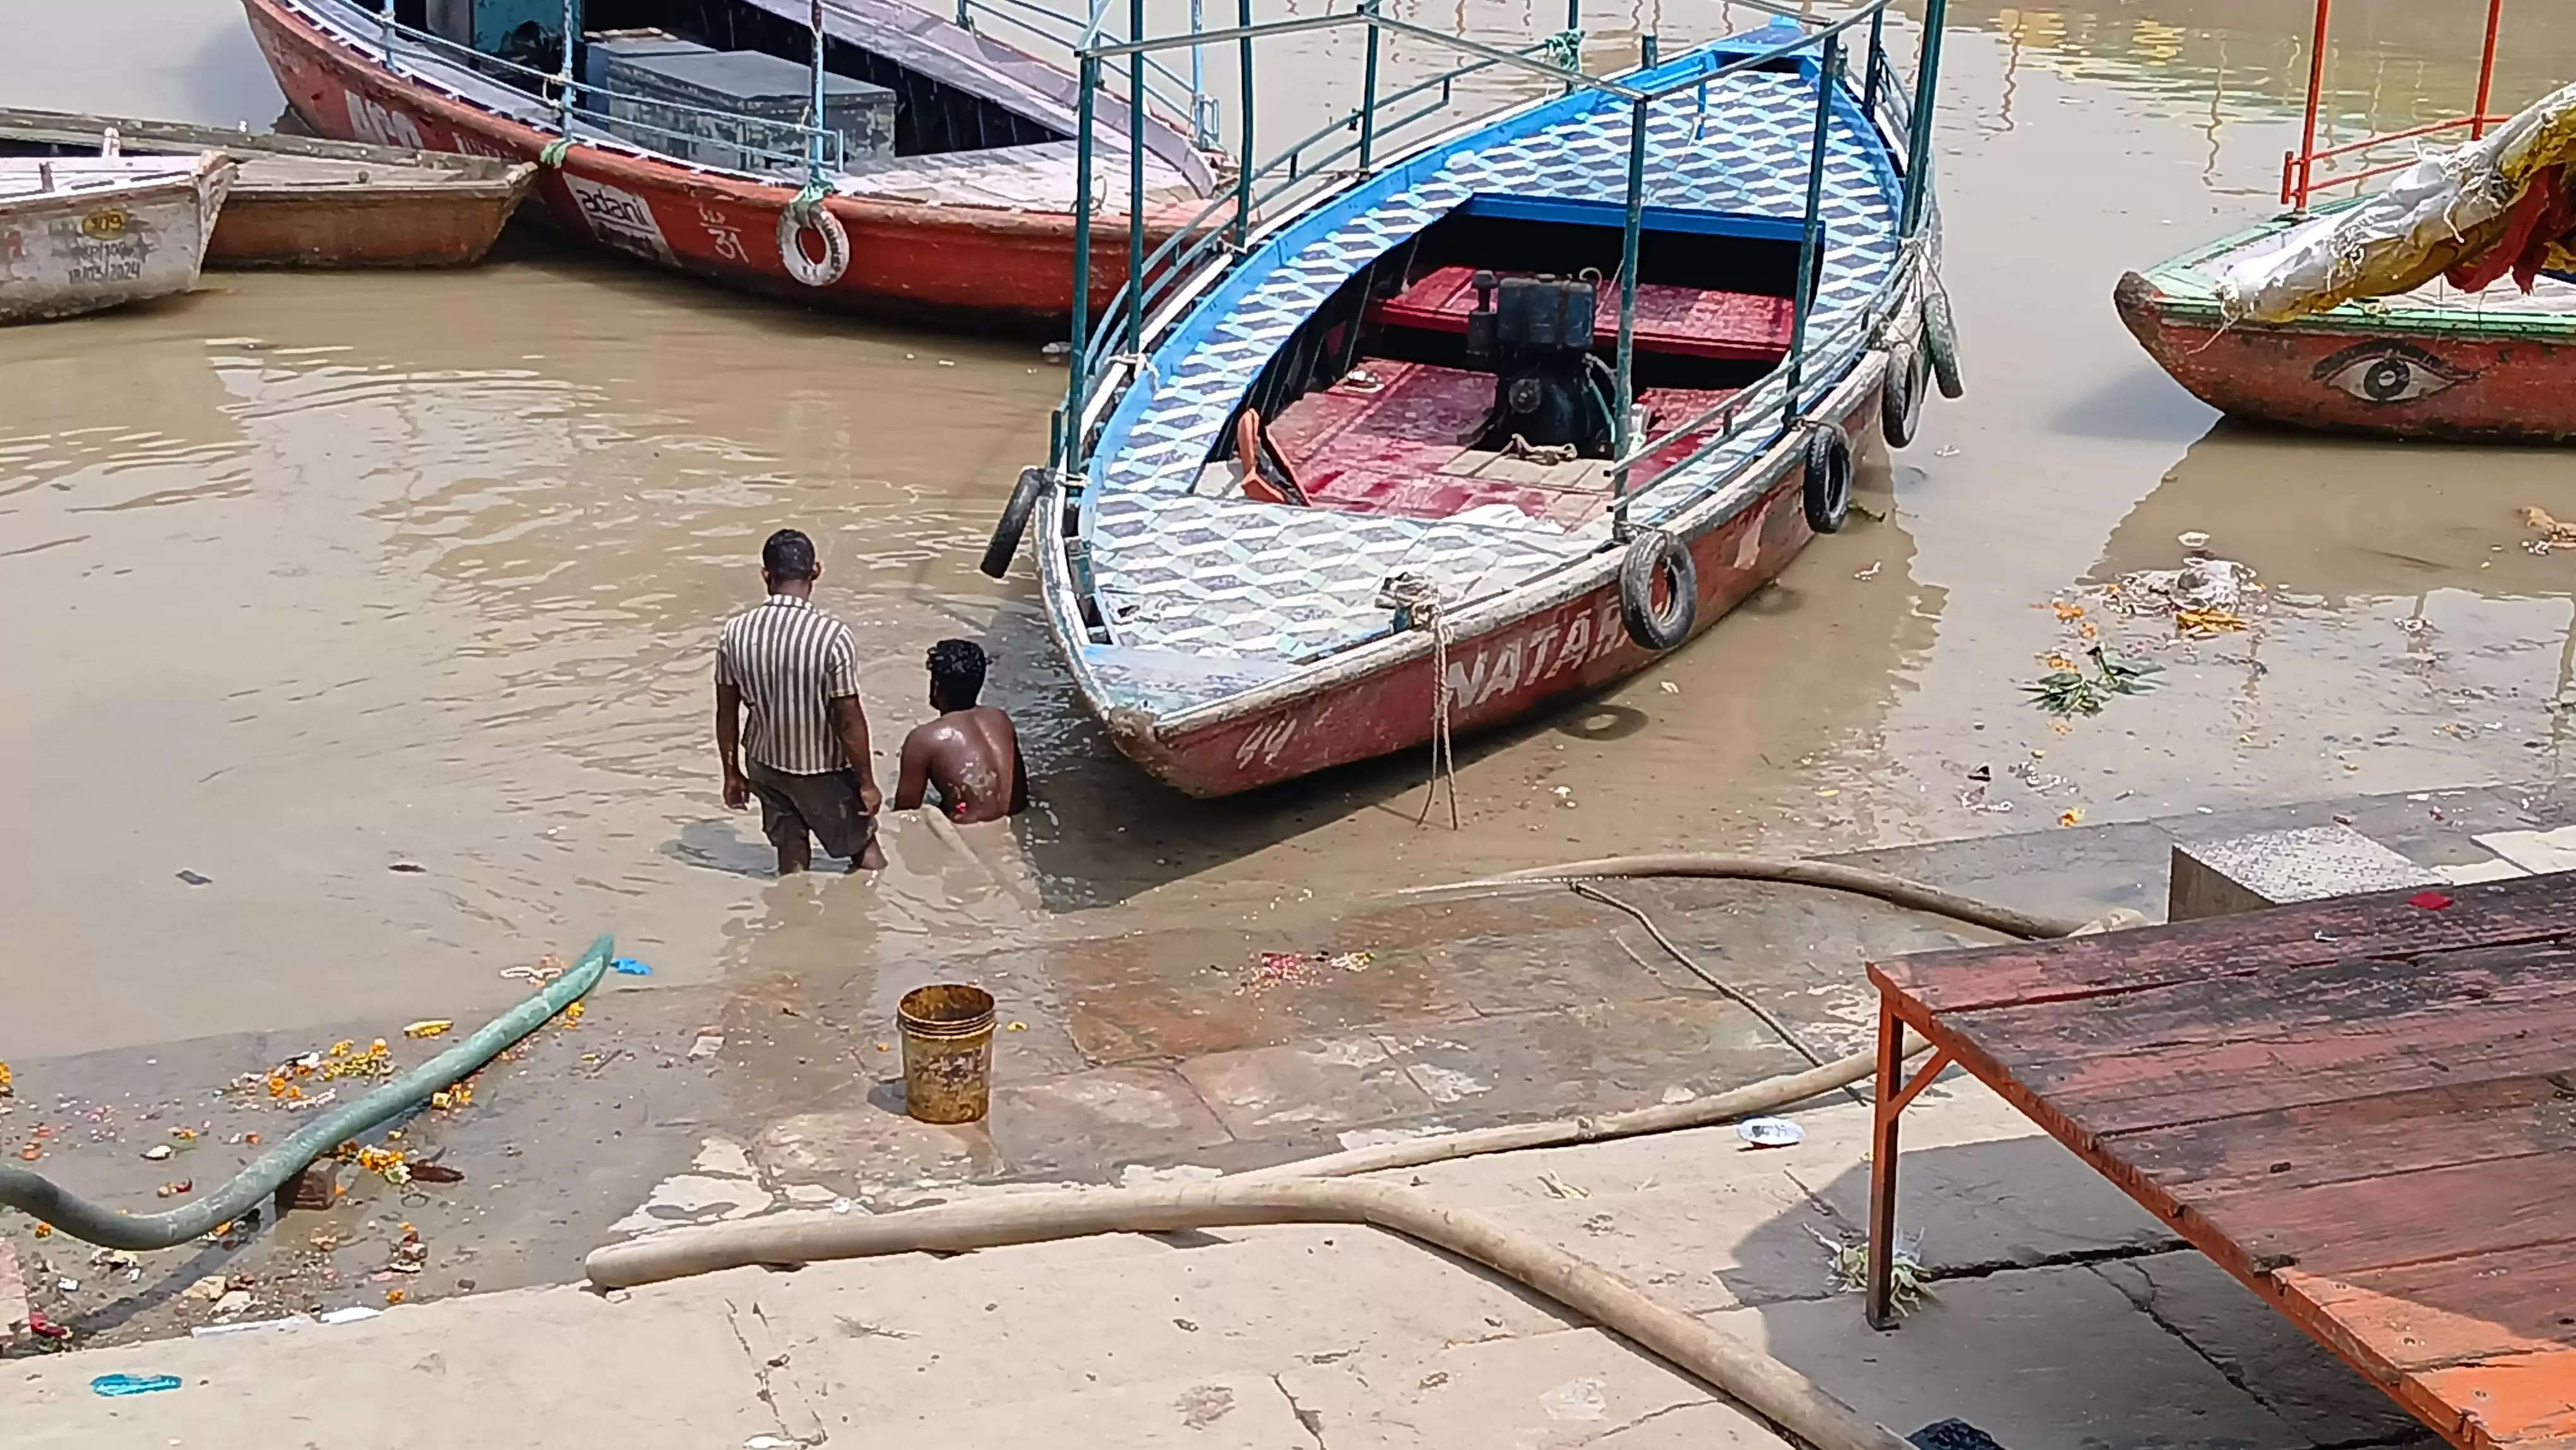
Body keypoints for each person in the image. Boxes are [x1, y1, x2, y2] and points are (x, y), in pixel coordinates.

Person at [715, 529, 885, 873]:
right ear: (816, 571)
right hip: (821, 770)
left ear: (766, 575)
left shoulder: (733, 632)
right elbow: (848, 719)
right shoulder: (832, 636)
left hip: (765, 765)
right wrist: (867, 782)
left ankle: (791, 917)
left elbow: (726, 713)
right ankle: (873, 919)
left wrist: (731, 773)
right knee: (867, 856)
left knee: (790, 858)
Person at [893, 639, 1027, 825]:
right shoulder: (1001, 720)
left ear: (936, 685)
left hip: (969, 831)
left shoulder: (924, 739)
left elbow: (905, 813)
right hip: (1017, 818)